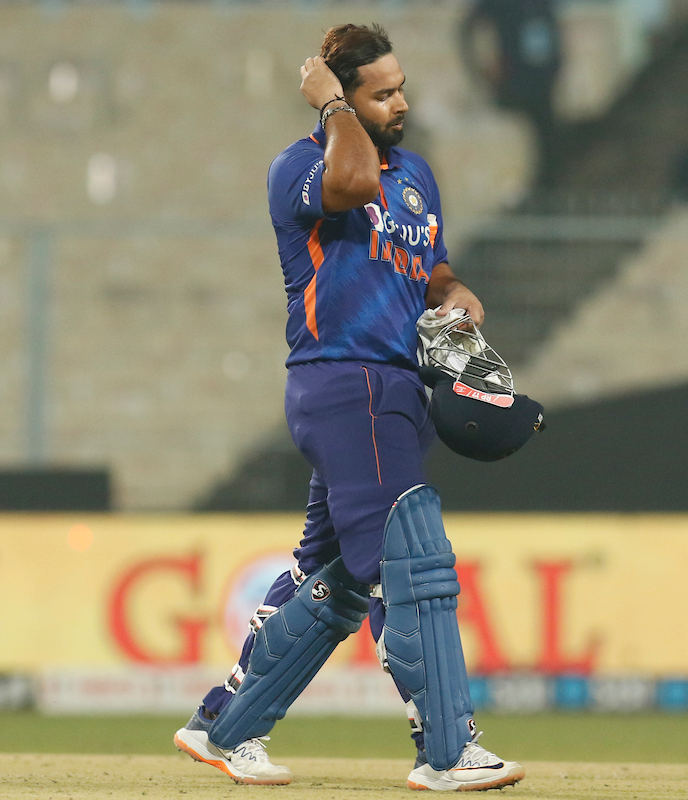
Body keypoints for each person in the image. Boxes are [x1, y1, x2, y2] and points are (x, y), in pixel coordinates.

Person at [171, 23, 525, 793]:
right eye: (381, 93)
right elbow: (354, 182)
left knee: (328, 577)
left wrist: (452, 292)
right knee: (414, 559)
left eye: (401, 87)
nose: (401, 102)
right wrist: (333, 105)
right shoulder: (300, 167)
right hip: (346, 382)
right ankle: (447, 749)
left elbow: (426, 263)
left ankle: (223, 727)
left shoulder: (417, 175)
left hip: (396, 386)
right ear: (341, 98)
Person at [461, 0, 561, 186]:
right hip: (514, 87)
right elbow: (468, 29)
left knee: (549, 148)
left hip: (544, 87)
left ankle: (546, 190)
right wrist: (480, 70)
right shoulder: (500, 5)